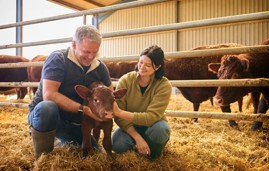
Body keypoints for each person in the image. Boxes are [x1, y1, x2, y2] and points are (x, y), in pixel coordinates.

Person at [28, 25, 113, 159]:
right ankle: (42, 157)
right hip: (49, 117)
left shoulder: (100, 67)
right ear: (74, 44)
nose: (91, 57)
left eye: (94, 52)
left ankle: (59, 138)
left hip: (74, 123)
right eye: (86, 51)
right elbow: (49, 95)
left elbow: (110, 94)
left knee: (94, 152)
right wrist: (84, 110)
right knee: (48, 107)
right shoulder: (58, 59)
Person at [112, 45, 172, 160]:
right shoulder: (125, 80)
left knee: (161, 130)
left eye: (148, 65)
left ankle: (152, 155)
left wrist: (119, 112)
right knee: (117, 144)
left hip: (153, 125)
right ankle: (137, 146)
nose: (142, 67)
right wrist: (138, 138)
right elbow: (119, 117)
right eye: (140, 62)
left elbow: (151, 117)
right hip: (130, 126)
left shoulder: (163, 85)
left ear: (158, 67)